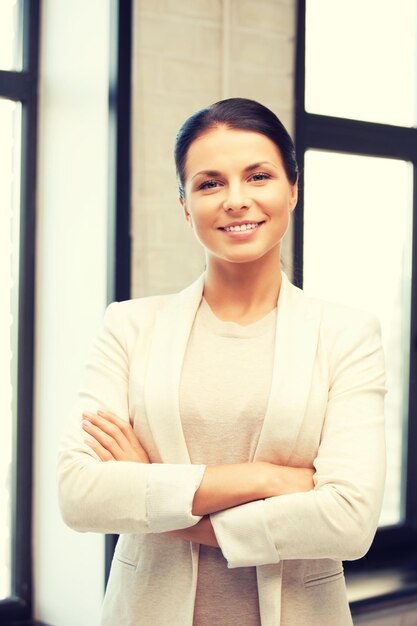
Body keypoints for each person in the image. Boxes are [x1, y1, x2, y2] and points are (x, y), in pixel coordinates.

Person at [58, 97, 386, 626]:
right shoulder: (129, 326)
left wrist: (151, 488)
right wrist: (266, 478)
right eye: (210, 183)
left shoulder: (347, 334)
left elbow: (348, 521)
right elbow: (80, 495)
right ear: (185, 204)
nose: (236, 200)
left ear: (293, 189)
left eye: (258, 176)